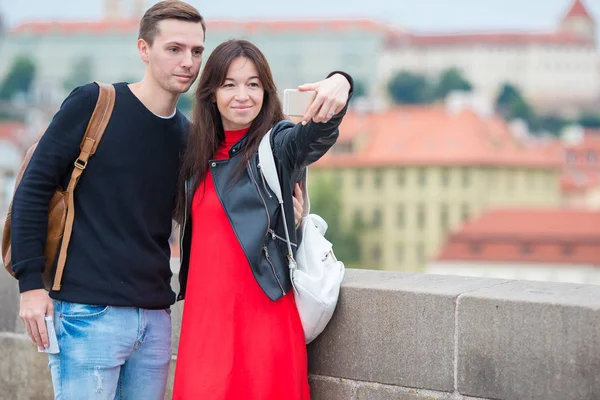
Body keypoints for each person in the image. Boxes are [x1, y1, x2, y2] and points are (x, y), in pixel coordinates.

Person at [171, 39, 352, 399]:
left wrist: (340, 83)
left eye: (253, 84)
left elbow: (314, 137)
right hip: (204, 325)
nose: (243, 95)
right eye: (229, 84)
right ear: (211, 94)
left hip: (264, 321)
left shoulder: (278, 145)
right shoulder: (193, 152)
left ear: (266, 92)